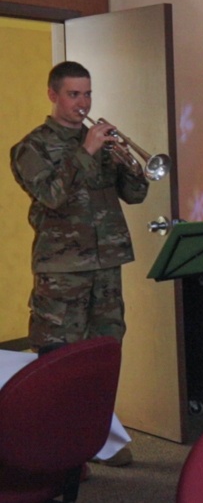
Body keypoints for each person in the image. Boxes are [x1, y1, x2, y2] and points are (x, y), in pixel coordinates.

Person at [10, 60, 148, 466]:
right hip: (62, 269)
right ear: (53, 95)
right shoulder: (31, 147)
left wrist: (129, 164)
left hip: (107, 265)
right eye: (74, 94)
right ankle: (59, 453)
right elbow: (52, 195)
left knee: (103, 355)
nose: (83, 102)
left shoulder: (100, 142)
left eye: (87, 93)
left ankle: (99, 439)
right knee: (59, 361)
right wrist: (85, 152)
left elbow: (135, 194)